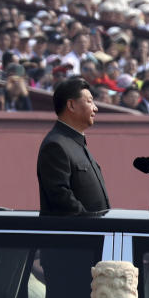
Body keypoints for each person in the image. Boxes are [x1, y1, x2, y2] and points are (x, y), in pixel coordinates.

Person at [36, 77, 110, 216]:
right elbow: (61, 198)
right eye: (89, 101)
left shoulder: (76, 143)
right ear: (71, 105)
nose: (95, 108)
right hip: (78, 234)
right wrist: (93, 224)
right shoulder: (56, 145)